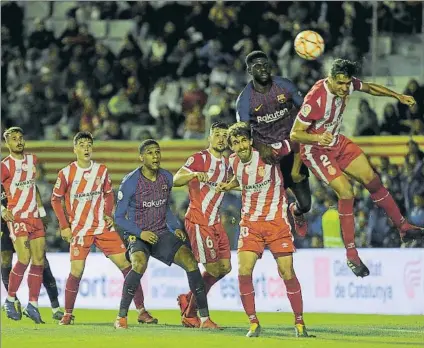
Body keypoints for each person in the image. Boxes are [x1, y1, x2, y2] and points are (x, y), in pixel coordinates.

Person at [290, 58, 424, 277]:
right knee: (347, 192)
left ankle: (404, 228)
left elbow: (370, 88)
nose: (345, 88)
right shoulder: (315, 98)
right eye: (340, 83)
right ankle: (351, 255)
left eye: (347, 83)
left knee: (373, 180)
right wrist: (316, 138)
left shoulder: (348, 84)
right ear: (331, 79)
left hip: (337, 141)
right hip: (315, 149)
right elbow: (295, 133)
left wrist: (397, 96)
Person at [217, 122, 311, 338]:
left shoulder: (268, 152)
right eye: (235, 143)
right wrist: (228, 185)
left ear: (250, 140)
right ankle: (253, 323)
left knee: (287, 272)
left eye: (243, 141)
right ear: (231, 146)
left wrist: (295, 169)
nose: (240, 146)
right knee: (243, 271)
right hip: (250, 224)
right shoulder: (232, 161)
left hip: (276, 222)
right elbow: (240, 179)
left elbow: (296, 140)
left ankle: (299, 323)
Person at [51, 131, 155, 325]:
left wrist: (108, 213)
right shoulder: (66, 173)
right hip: (80, 230)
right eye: (82, 145)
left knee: (128, 266)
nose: (86, 148)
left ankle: (141, 311)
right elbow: (55, 199)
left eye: (89, 144)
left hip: (102, 228)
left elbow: (108, 194)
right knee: (76, 271)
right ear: (75, 149)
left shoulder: (101, 170)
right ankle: (67, 313)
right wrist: (64, 226)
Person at [114, 139, 219, 329]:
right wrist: (140, 233)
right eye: (150, 153)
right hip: (139, 235)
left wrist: (175, 227)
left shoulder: (166, 178)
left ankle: (204, 319)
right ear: (141, 157)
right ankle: (121, 317)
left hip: (161, 233)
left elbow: (165, 208)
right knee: (138, 263)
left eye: (157, 152)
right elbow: (119, 217)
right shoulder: (130, 182)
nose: (155, 156)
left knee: (190, 261)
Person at [236, 50, 311, 239]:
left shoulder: (284, 85)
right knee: (272, 206)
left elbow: (306, 110)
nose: (263, 69)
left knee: (306, 204)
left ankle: (297, 212)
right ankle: (269, 239)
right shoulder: (245, 100)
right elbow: (242, 132)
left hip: (292, 151)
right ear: (249, 70)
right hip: (268, 157)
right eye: (257, 66)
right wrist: (260, 146)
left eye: (265, 64)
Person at [173, 121, 232, 328]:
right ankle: (191, 315)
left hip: (216, 222)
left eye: (225, 135)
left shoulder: (227, 163)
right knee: (212, 269)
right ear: (209, 137)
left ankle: (187, 299)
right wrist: (193, 174)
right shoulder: (200, 158)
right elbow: (176, 179)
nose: (221, 138)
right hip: (199, 221)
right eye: (217, 134)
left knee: (225, 268)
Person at [1, 127, 46, 323]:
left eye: (21, 138)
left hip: (34, 217)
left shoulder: (32, 160)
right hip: (17, 218)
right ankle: (10, 300)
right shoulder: (5, 166)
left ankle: (33, 305)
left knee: (39, 260)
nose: (18, 141)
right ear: (7, 144)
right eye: (14, 139)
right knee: (24, 258)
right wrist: (2, 210)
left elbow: (32, 185)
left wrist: (41, 210)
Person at [1, 185, 64, 321]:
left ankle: (55, 307)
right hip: (6, 225)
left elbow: (34, 192)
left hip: (27, 220)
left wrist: (42, 214)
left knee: (41, 261)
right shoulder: (6, 173)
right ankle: (13, 301)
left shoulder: (22, 175)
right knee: (7, 259)